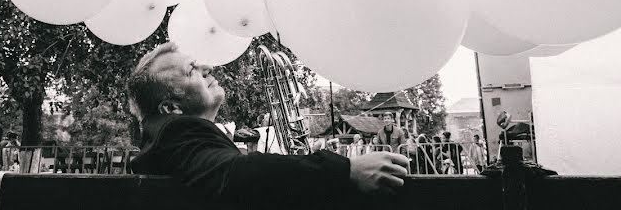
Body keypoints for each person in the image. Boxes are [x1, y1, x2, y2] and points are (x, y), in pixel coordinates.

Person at [127, 42, 409, 209]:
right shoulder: (179, 134)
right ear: (171, 108)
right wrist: (347, 171)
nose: (207, 68)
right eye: (192, 70)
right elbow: (235, 175)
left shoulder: (165, 140)